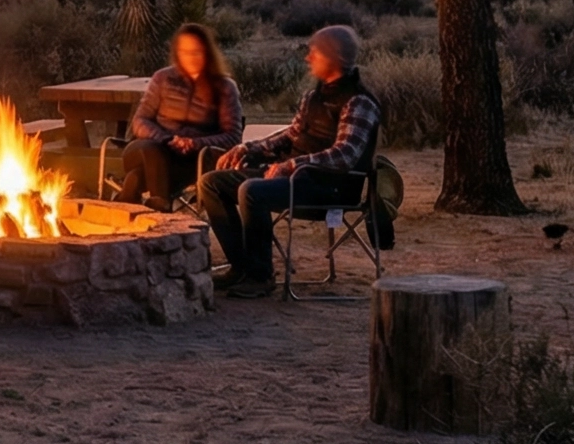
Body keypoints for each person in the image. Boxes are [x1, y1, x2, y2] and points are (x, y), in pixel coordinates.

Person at [198, 24, 382, 297]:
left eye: (315, 52)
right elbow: (290, 135)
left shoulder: (359, 102)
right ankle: (242, 266)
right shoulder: (313, 97)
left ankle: (260, 276)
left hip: (329, 187)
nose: (308, 57)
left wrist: (293, 164)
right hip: (295, 178)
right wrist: (246, 148)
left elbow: (345, 155)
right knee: (211, 183)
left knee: (251, 191)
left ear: (334, 57)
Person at [115, 23, 243, 212]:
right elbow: (140, 121)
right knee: (152, 149)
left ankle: (134, 188)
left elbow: (233, 136)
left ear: (207, 52)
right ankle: (162, 204)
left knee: (141, 174)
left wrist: (194, 143)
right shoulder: (162, 78)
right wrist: (165, 139)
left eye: (196, 52)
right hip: (145, 149)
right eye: (184, 52)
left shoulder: (224, 87)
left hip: (191, 159)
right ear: (177, 53)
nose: (190, 57)